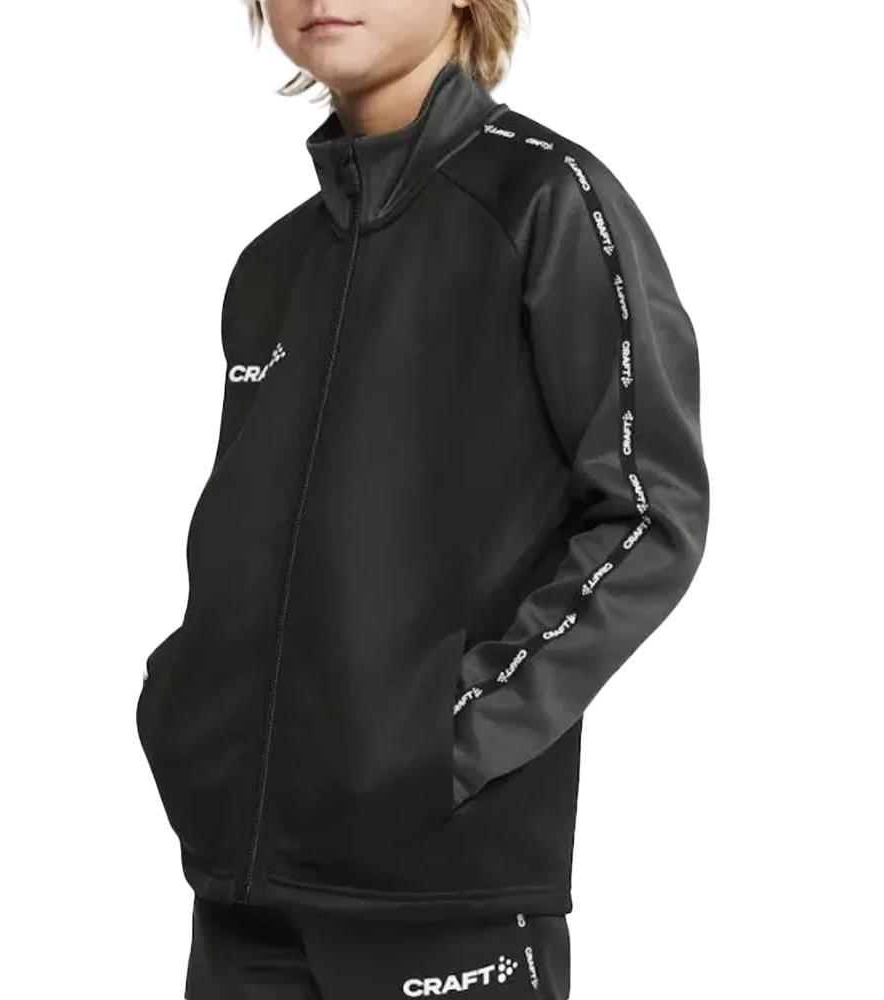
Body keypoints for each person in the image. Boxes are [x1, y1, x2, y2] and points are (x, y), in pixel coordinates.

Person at [136, 1, 710, 996]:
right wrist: (184, 707)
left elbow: (649, 510)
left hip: (443, 891)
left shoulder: (545, 199)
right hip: (243, 892)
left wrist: (450, 739)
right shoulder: (273, 266)